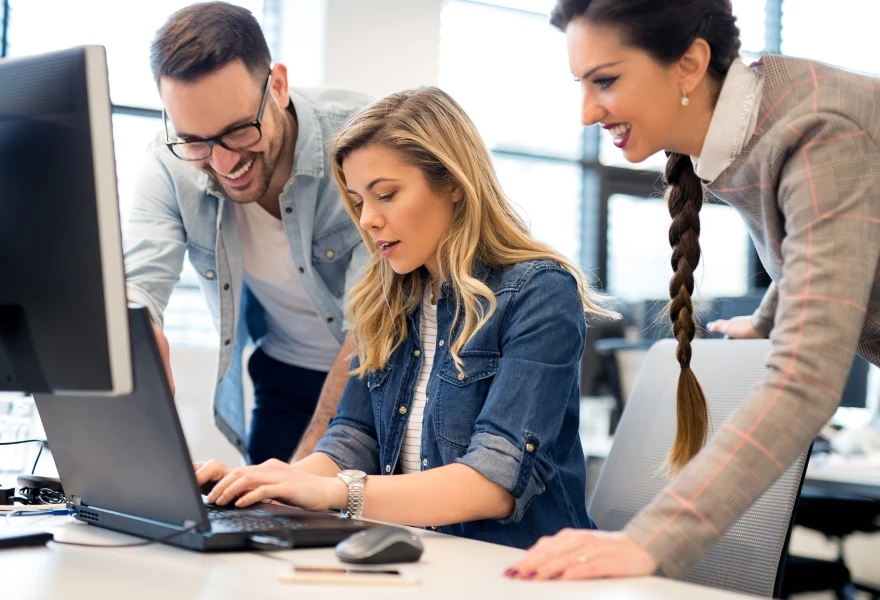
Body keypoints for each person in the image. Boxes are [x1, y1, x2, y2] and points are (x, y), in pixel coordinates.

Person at [506, 0, 880, 582]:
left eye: (605, 80)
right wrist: (767, 318)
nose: (586, 112)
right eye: (581, 84)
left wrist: (649, 542)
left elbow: (808, 378)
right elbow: (825, 242)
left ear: (689, 64)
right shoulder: (751, 128)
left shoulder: (818, 132)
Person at [194, 86, 616, 548]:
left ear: (453, 183)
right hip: (427, 558)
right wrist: (269, 486)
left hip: (520, 568)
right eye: (357, 202)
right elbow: (351, 441)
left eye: (386, 195)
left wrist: (334, 492)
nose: (368, 220)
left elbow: (492, 483)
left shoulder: (539, 293)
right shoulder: (388, 299)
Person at [124, 2, 373, 465]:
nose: (222, 164)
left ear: (277, 85)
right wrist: (135, 328)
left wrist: (301, 472)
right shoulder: (169, 159)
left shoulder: (363, 140)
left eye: (239, 131)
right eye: (196, 140)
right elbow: (138, 284)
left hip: (379, 369)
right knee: (262, 524)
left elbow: (370, 330)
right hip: (284, 371)